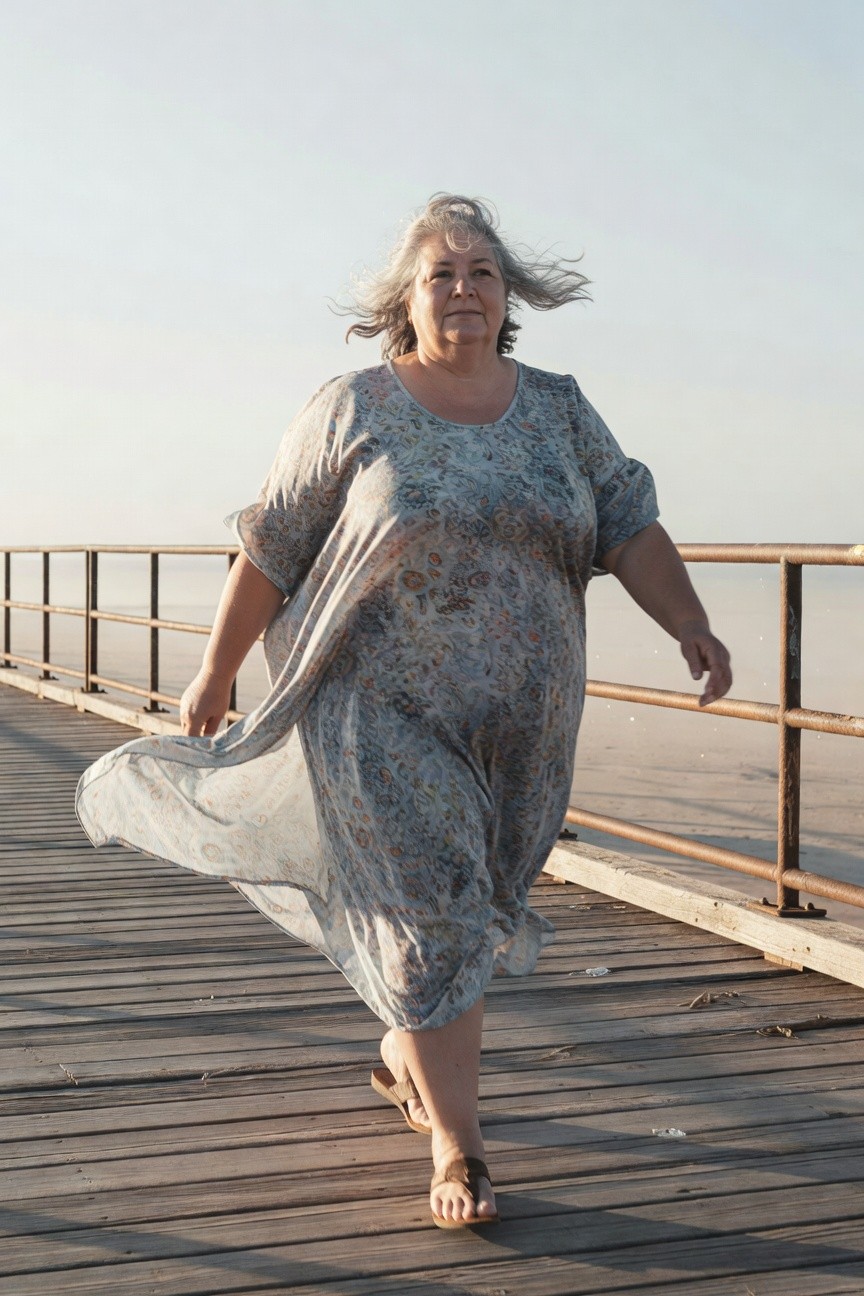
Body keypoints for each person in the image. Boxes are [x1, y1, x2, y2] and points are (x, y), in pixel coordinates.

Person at [77, 194, 732, 1229]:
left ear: (508, 298)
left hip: (519, 730)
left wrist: (689, 622)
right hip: (376, 712)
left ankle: (406, 1053)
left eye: (482, 272)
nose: (464, 288)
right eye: (442, 274)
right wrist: (214, 672)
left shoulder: (559, 409)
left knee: (471, 908)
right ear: (407, 301)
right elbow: (272, 547)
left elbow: (627, 524)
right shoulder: (355, 407)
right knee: (434, 912)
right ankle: (460, 1147)